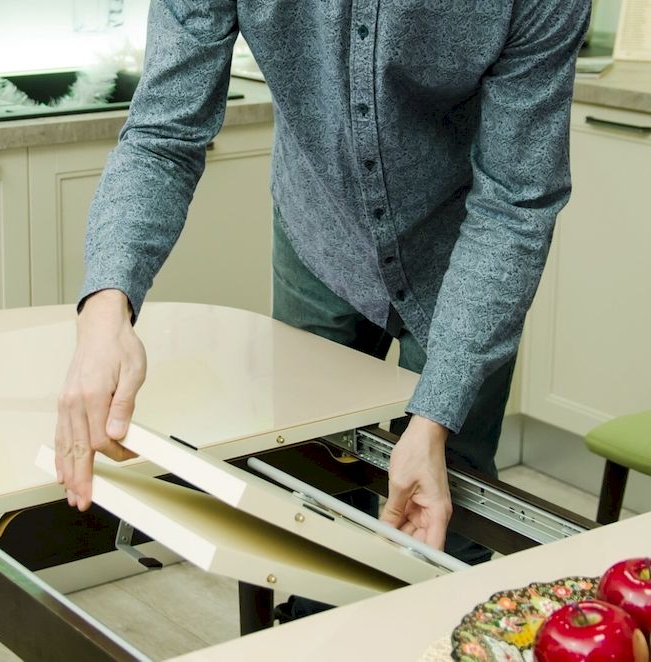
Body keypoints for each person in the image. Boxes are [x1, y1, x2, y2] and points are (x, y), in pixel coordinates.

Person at [54, 0, 590, 615]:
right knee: (304, 503)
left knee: (447, 514)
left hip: (465, 253)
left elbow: (517, 203)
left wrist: (436, 414)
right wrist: (105, 310)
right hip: (318, 228)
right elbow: (162, 134)